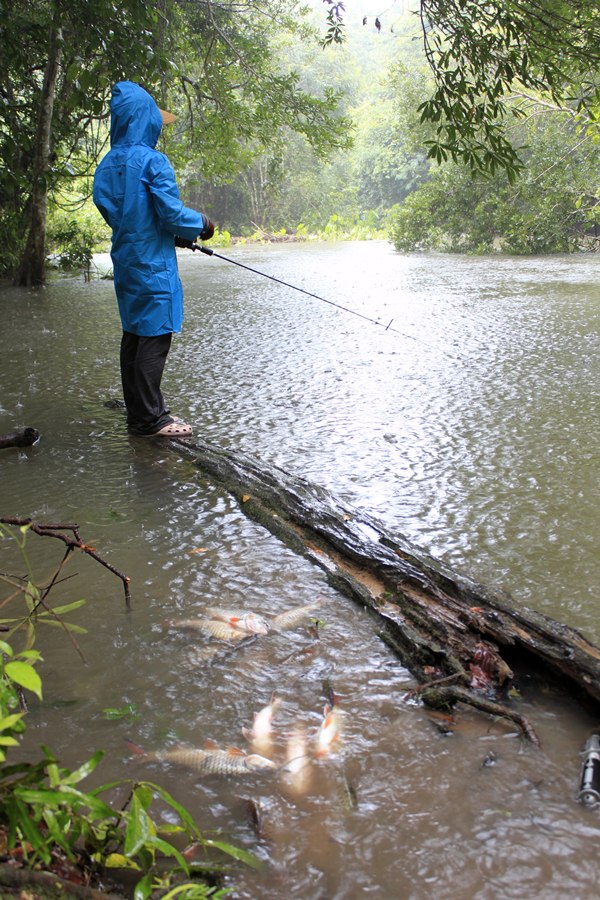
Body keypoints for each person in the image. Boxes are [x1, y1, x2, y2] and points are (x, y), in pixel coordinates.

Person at [93, 80, 214, 438]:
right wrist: (202, 224)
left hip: (127, 261)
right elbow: (171, 212)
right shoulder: (152, 161)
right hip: (152, 265)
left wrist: (154, 230)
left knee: (133, 334)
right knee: (156, 338)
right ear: (145, 119)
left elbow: (115, 210)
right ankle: (152, 421)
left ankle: (140, 414)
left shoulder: (107, 165)